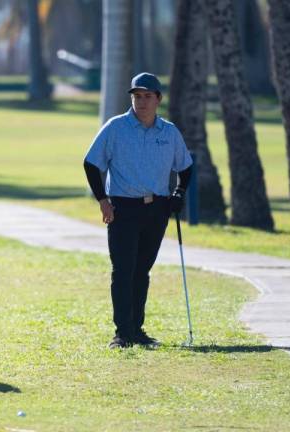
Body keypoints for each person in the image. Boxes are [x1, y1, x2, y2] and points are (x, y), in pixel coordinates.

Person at [83, 72, 193, 349]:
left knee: (142, 270)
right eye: (136, 96)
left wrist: (179, 193)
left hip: (157, 208)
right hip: (123, 208)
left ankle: (137, 329)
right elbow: (91, 163)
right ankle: (122, 333)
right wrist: (103, 200)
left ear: (158, 99)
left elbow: (186, 166)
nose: (141, 102)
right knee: (123, 270)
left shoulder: (169, 133)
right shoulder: (115, 127)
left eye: (147, 97)